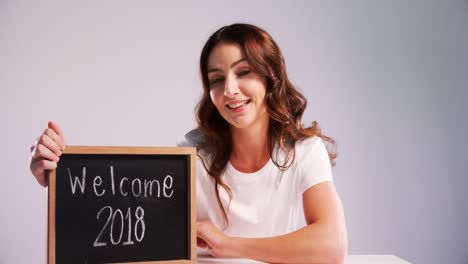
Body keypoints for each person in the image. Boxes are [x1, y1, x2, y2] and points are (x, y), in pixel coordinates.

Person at [30, 23, 348, 263]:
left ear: (270, 77)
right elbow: (120, 225)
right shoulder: (191, 157)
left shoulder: (304, 151)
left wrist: (229, 245)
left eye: (244, 72)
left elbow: (332, 245)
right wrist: (63, 176)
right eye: (216, 79)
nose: (230, 90)